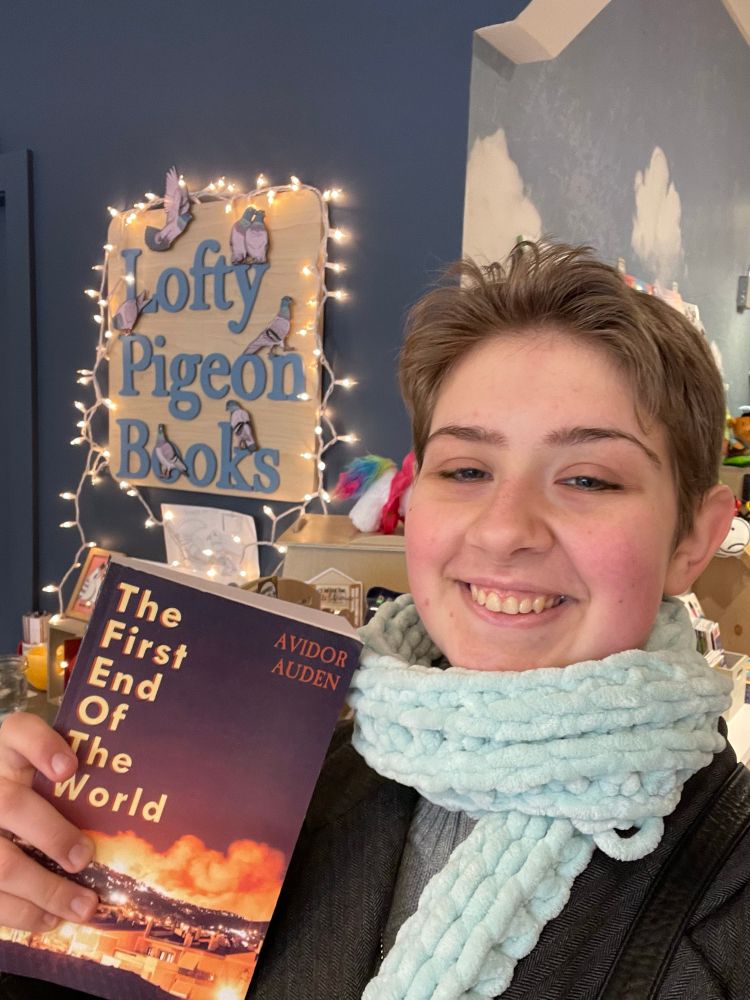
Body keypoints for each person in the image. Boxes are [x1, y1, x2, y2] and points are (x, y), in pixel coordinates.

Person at [0, 241, 748, 1000]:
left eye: (588, 478)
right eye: (466, 470)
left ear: (694, 536)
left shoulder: (729, 892)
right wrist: (30, 889)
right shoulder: (290, 777)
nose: (502, 529)